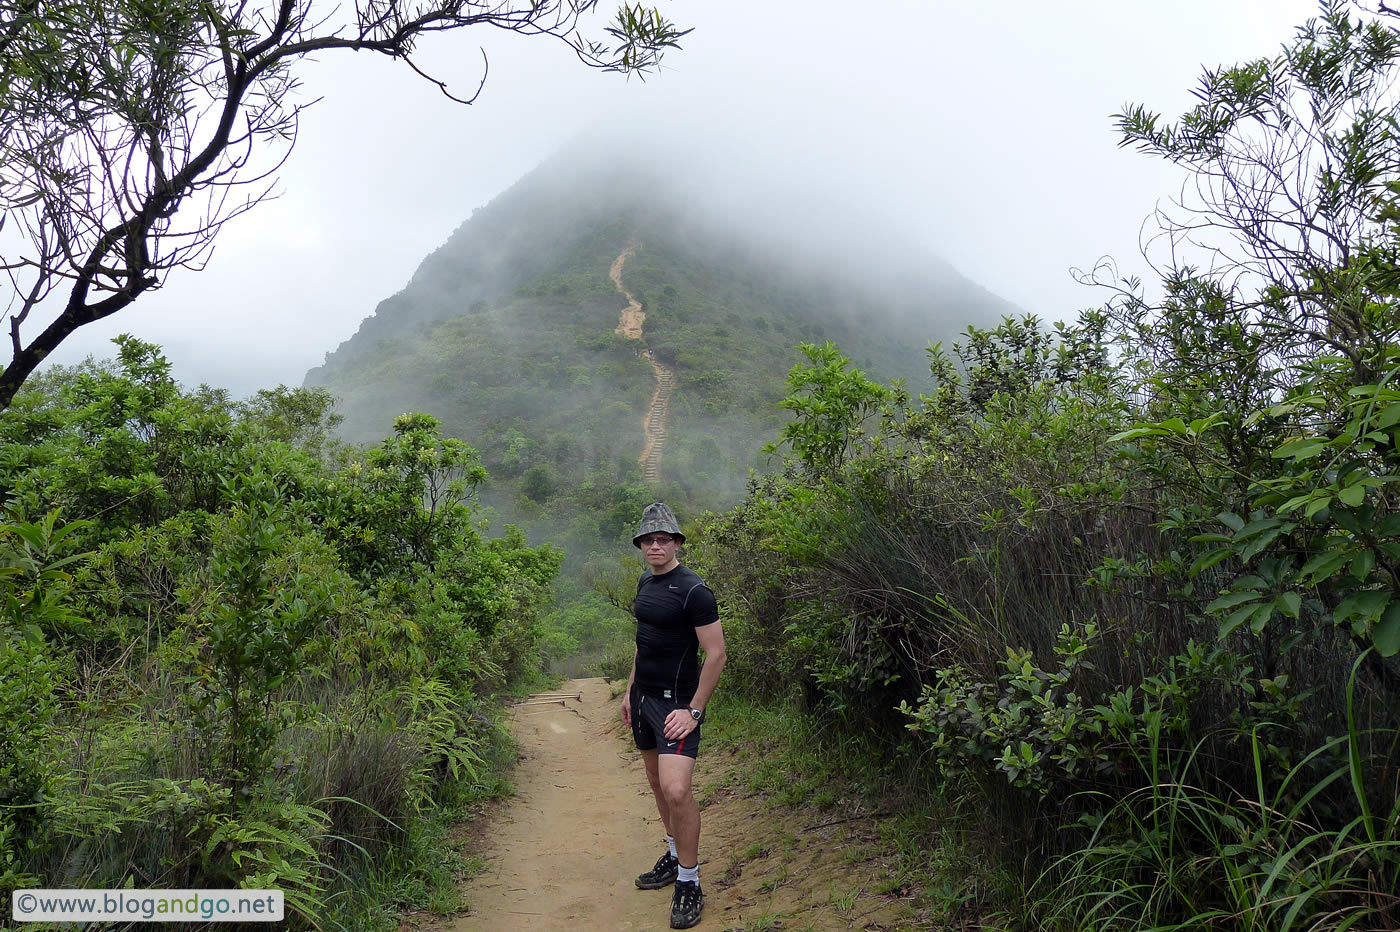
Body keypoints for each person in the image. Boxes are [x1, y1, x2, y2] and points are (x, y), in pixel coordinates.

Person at [620, 502, 726, 930]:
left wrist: (694, 711)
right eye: (649, 539)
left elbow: (716, 655)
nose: (656, 545)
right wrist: (629, 689)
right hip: (644, 698)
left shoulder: (694, 590)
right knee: (655, 783)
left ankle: (689, 879)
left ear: (677, 542)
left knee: (677, 790)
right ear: (641, 545)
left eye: (664, 538)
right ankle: (672, 851)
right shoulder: (646, 581)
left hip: (677, 702)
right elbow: (643, 641)